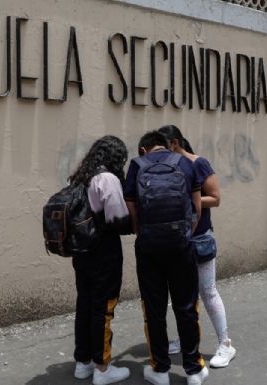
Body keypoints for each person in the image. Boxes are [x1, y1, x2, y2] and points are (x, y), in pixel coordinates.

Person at [124, 130, 209, 385]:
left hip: (149, 248)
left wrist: (144, 234)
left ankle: (160, 370)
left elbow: (132, 210)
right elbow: (196, 207)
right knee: (186, 306)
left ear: (144, 149)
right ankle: (194, 370)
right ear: (165, 146)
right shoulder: (184, 162)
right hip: (181, 246)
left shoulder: (136, 165)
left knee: (154, 308)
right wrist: (183, 234)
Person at [158, 125, 237, 368]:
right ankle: (186, 339)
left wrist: (186, 199)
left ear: (174, 143)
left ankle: (226, 344)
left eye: (162, 147)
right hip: (176, 239)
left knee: (208, 291)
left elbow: (215, 198)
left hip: (200, 237)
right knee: (183, 294)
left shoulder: (199, 163)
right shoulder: (168, 167)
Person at [67, 135, 131, 385]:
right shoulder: (107, 179)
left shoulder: (79, 177)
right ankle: (102, 368)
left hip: (81, 251)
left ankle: (83, 362)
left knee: (84, 303)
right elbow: (119, 220)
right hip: (104, 251)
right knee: (102, 308)